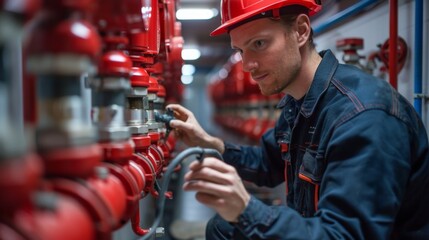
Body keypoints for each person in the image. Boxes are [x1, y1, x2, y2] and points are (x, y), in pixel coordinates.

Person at [166, 0, 429, 239]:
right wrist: (208, 142)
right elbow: (267, 164)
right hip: (316, 227)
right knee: (222, 228)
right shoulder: (299, 103)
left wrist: (246, 209)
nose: (247, 65)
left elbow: (346, 235)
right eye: (241, 51)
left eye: (259, 44)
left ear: (301, 31)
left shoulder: (364, 117)